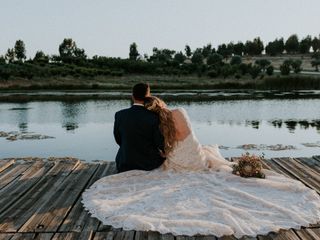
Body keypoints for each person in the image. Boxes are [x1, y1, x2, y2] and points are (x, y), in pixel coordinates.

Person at [82, 96, 320, 238]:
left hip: (177, 157)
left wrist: (164, 153)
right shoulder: (178, 113)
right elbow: (186, 136)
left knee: (178, 160)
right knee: (208, 153)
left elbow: (164, 145)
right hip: (193, 152)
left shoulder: (160, 120)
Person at [113, 83, 165, 173]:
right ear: (148, 96)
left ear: (132, 96)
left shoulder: (120, 114)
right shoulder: (154, 116)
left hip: (124, 163)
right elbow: (159, 143)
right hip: (148, 164)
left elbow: (118, 139)